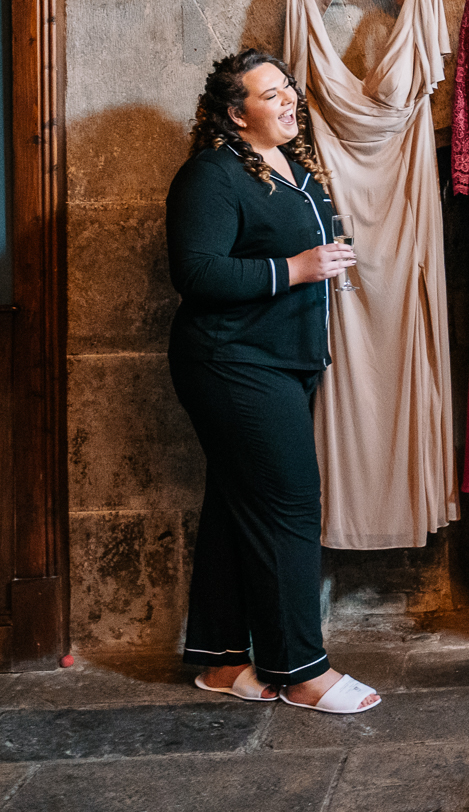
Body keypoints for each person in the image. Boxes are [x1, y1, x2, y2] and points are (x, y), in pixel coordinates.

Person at [165, 47, 380, 714]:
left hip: (282, 363)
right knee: (291, 506)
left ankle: (222, 661)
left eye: (289, 89)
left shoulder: (292, 168)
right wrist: (295, 270)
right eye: (271, 95)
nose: (290, 101)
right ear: (236, 114)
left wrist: (317, 267)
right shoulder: (211, 175)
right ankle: (302, 671)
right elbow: (196, 274)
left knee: (237, 506)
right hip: (232, 364)